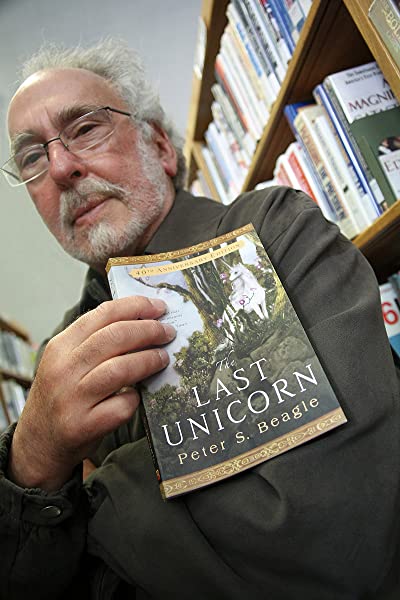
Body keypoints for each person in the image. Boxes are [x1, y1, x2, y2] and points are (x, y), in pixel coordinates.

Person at [0, 38, 399, 600]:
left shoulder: (275, 231)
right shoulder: (61, 354)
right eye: (32, 159)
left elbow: (336, 536)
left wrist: (98, 494)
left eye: (86, 128)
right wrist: (29, 459)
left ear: (161, 146)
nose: (61, 167)